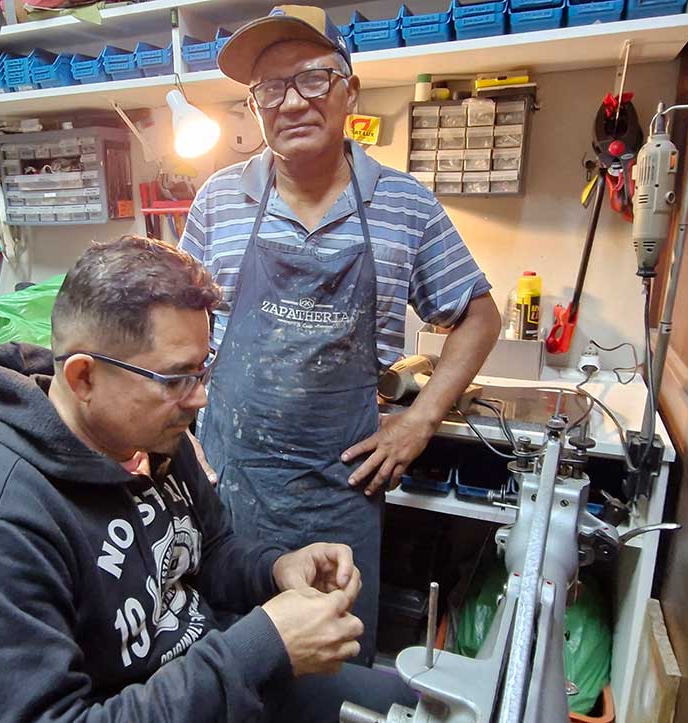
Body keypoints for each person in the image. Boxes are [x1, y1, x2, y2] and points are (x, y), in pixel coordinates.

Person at [0, 236, 414, 722]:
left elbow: (208, 551)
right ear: (83, 377)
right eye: (175, 378)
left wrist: (276, 570)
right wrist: (260, 648)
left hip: (221, 687)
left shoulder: (152, 437)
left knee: (416, 704)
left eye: (202, 369)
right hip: (205, 688)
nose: (200, 398)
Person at [180, 5, 503, 664]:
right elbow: (177, 320)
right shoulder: (217, 200)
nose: (290, 102)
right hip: (227, 493)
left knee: (327, 675)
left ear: (348, 90)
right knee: (225, 669)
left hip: (339, 496)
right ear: (254, 107)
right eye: (269, 89)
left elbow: (479, 315)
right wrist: (182, 435)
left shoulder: (403, 205)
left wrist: (416, 424)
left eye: (311, 80)